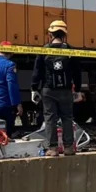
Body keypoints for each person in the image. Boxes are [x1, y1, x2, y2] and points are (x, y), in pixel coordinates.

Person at [31, 20, 83, 155]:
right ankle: (68, 147)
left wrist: (34, 88)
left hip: (48, 89)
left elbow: (37, 71)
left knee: (50, 118)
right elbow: (77, 72)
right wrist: (77, 89)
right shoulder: (70, 50)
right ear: (65, 34)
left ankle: (52, 148)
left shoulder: (44, 50)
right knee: (67, 117)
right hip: (65, 90)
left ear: (50, 34)